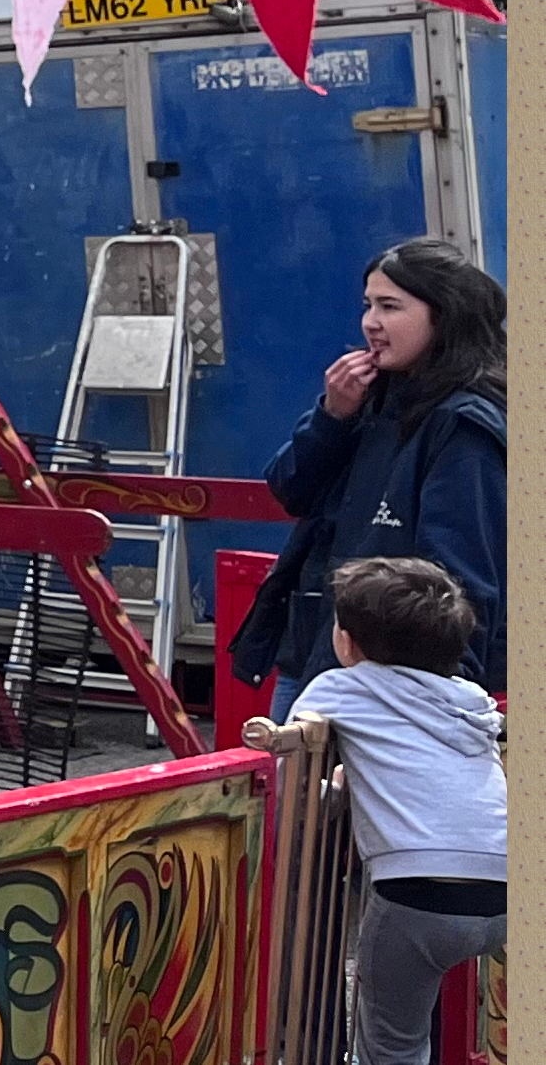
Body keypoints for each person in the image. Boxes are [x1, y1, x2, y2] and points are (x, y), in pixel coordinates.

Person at [239, 236, 506, 715]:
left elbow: (463, 584)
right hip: (318, 653)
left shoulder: (463, 425)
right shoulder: (367, 398)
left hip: (394, 683)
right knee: (292, 788)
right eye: (367, 305)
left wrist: (443, 708)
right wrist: (330, 419)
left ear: (442, 316)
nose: (371, 324)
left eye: (390, 306)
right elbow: (289, 489)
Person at [283, 556, 507, 1065]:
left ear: (348, 641)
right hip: (505, 886)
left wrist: (332, 798)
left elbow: (293, 781)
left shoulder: (339, 688)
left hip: (416, 893)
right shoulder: (470, 700)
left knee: (392, 1046)